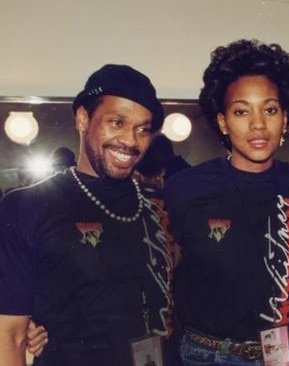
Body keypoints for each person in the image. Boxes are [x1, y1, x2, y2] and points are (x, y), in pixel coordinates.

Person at [0, 64, 173, 366]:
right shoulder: (27, 206)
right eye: (117, 122)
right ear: (82, 118)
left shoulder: (156, 205)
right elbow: (9, 337)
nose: (131, 141)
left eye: (142, 129)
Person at [164, 39, 289, 366]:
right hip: (207, 355)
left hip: (283, 354)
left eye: (270, 109)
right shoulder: (185, 188)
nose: (258, 124)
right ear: (223, 121)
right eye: (241, 111)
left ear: (285, 117)